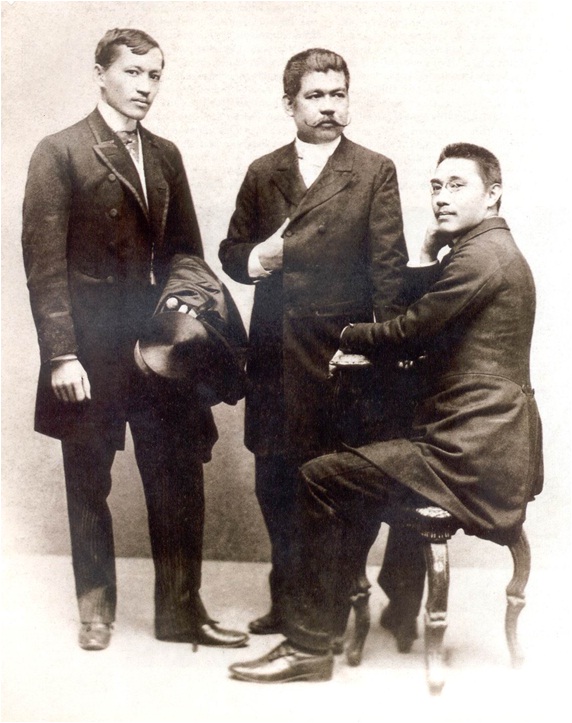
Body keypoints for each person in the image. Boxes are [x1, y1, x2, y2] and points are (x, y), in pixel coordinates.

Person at [228, 142, 543, 683]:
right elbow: (430, 307)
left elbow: (410, 329)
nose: (442, 198)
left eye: (458, 185)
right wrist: (426, 251)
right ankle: (355, 614)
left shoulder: (481, 257)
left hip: (470, 452)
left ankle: (309, 646)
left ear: (493, 194)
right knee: (357, 458)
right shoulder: (483, 250)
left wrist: (346, 334)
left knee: (319, 477)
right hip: (480, 441)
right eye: (436, 186)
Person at [21, 28, 248, 651]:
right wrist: (61, 354)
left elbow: (187, 255)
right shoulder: (60, 151)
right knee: (87, 477)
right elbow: (44, 266)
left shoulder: (165, 154)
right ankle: (95, 608)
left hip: (159, 346)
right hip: (90, 347)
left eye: (154, 76)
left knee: (178, 475)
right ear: (101, 74)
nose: (145, 87)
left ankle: (181, 612)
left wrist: (190, 325)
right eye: (132, 73)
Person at [218, 48, 409, 636]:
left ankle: (323, 610)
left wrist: (380, 357)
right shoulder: (264, 171)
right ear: (289, 104)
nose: (329, 107)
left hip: (339, 358)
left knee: (332, 482)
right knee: (273, 481)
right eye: (315, 96)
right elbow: (231, 253)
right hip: (274, 355)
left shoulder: (373, 170)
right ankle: (287, 603)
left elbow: (389, 274)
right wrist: (260, 258)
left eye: (338, 94)